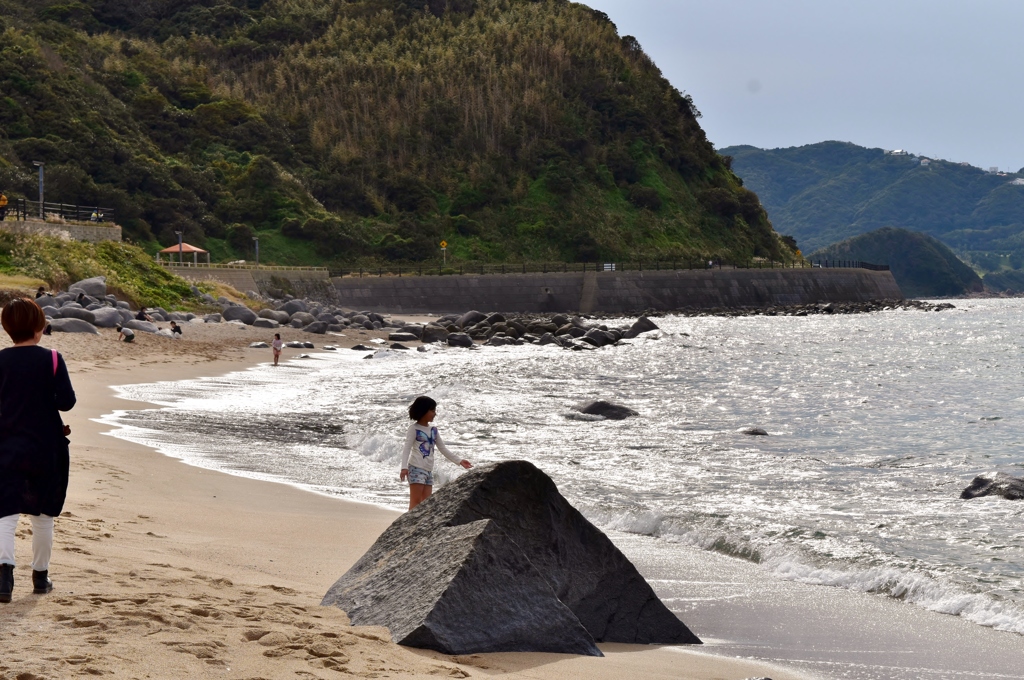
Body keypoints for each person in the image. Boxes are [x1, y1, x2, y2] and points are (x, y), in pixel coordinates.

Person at [0, 298, 76, 603]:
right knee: (43, 515)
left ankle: (4, 578)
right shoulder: (53, 359)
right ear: (38, 327)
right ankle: (40, 578)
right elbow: (66, 402)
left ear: (7, 329)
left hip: (6, 445)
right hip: (46, 447)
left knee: (5, 514)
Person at [400, 396, 472, 511]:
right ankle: (405, 527)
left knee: (426, 504)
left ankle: (422, 527)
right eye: (432, 411)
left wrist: (459, 461)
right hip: (416, 468)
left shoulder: (434, 430)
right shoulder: (414, 429)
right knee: (415, 503)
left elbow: (443, 448)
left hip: (428, 470)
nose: (435, 413)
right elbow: (407, 448)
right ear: (423, 411)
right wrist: (404, 468)